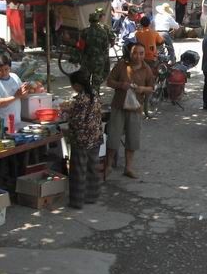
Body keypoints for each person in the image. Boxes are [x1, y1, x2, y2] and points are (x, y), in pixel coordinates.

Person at [105, 44, 155, 179]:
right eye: (135, 53)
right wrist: (121, 85)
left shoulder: (146, 69)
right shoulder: (121, 65)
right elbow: (109, 81)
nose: (138, 56)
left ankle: (128, 168)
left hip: (135, 108)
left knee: (132, 139)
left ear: (144, 54)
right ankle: (108, 165)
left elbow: (151, 88)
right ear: (130, 53)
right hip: (118, 106)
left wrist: (142, 89)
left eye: (141, 53)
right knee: (113, 137)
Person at [66, 69, 103, 209]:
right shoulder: (94, 94)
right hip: (95, 136)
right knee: (92, 167)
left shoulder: (81, 99)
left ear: (77, 85)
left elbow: (78, 121)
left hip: (81, 139)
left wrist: (69, 117)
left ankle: (77, 201)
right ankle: (92, 196)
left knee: (78, 170)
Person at [0, 53, 39, 129]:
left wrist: (27, 89)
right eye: (0, 70)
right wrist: (16, 96)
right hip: (2, 124)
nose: (3, 73)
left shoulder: (14, 77)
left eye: (6, 69)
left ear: (10, 68)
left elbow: (23, 96)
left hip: (16, 121)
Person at [81, 12, 111, 92]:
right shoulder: (103, 32)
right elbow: (105, 47)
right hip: (99, 61)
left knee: (85, 80)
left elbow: (80, 46)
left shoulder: (85, 31)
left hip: (87, 60)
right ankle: (95, 97)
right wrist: (105, 60)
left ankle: (85, 97)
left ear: (90, 20)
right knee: (96, 82)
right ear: (98, 20)